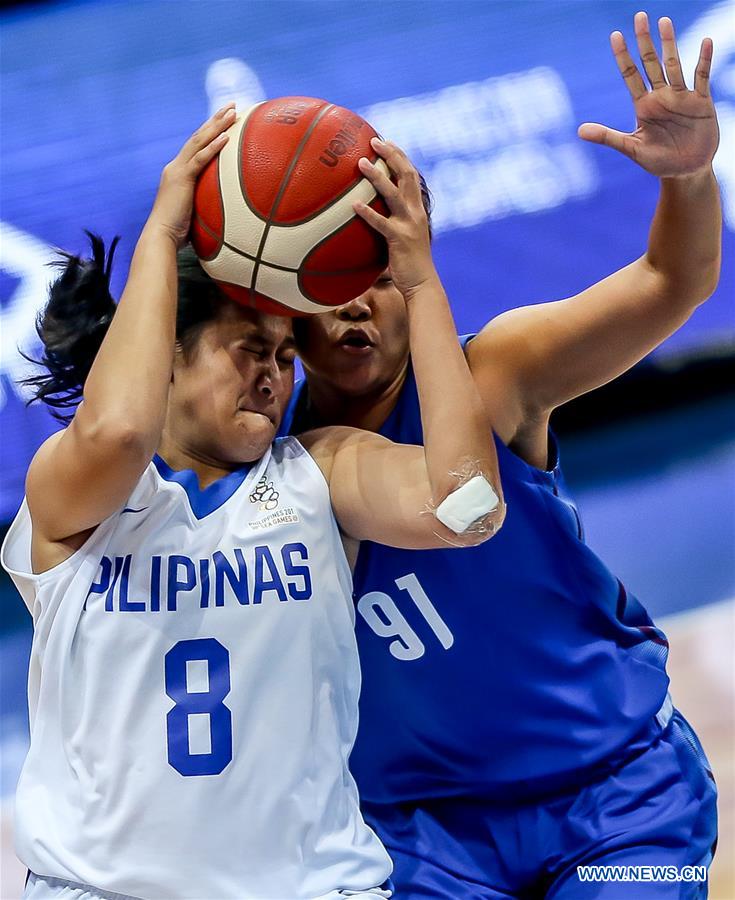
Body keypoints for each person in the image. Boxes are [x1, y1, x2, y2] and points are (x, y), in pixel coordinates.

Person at [0, 105, 505, 900]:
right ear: (165, 353)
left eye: (282, 354)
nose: (273, 374)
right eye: (247, 350)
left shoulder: (319, 471)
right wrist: (163, 236)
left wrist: (419, 281)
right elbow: (121, 430)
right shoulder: (76, 494)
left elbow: (467, 508)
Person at [283, 14, 721, 899]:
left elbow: (673, 282)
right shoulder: (268, 452)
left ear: (416, 268)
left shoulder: (497, 372)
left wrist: (690, 180)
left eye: (375, 276)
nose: (352, 311)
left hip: (613, 791)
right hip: (419, 833)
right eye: (325, 288)